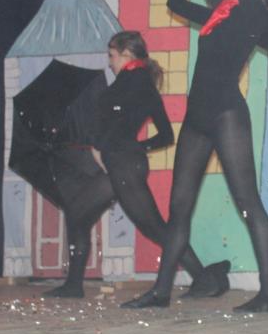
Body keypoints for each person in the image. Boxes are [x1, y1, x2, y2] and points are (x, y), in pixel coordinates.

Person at [123, 0, 268, 312]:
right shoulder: (216, 16)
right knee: (179, 207)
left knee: (248, 202)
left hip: (227, 114)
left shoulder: (253, 14)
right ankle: (161, 291)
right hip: (197, 117)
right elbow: (175, 2)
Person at [42, 31, 228, 299]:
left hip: (124, 165)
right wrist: (112, 147)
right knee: (77, 213)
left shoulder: (135, 81)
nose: (109, 62)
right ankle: (73, 285)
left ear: (126, 54)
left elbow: (157, 134)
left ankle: (204, 279)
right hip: (120, 163)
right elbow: (148, 131)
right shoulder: (135, 81)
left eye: (112, 56)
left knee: (154, 227)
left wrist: (118, 147)